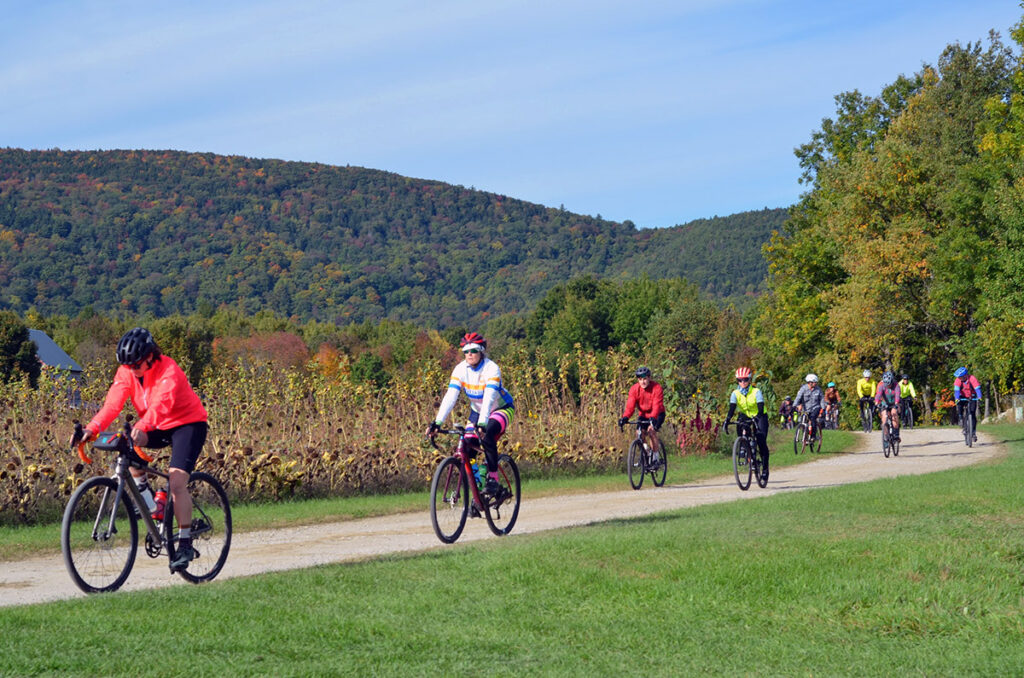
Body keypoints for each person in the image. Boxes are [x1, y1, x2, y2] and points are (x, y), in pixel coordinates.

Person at [77, 327, 209, 572]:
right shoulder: (126, 372)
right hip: (155, 424)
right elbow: (112, 405)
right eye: (128, 365)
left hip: (187, 424)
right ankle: (151, 504)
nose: (132, 369)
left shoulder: (169, 370)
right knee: (126, 446)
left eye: (136, 364)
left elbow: (161, 405)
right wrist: (91, 429)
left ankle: (185, 543)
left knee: (177, 481)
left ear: (151, 356)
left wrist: (142, 426)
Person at [427, 332, 515, 498]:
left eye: (473, 351)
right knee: (467, 446)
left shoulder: (491, 369)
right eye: (465, 351)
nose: (469, 354)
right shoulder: (460, 369)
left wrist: (482, 424)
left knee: (487, 433)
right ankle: (478, 493)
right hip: (477, 411)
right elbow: (451, 396)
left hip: (501, 409)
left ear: (481, 351)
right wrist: (437, 422)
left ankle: (493, 480)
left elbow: (489, 398)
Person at [723, 367, 770, 483]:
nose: (742, 382)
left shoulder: (756, 391)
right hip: (746, 415)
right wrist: (727, 420)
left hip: (760, 416)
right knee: (740, 422)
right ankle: (743, 444)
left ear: (749, 380)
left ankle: (765, 469)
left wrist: (757, 416)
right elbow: (732, 408)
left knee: (761, 440)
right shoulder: (735, 393)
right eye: (740, 380)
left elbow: (760, 406)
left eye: (745, 380)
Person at [618, 365, 666, 457]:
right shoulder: (634, 389)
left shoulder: (656, 388)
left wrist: (653, 418)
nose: (642, 382)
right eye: (640, 379)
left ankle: (655, 457)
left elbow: (657, 405)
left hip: (658, 414)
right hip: (644, 414)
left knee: (651, 431)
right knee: (639, 434)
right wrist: (625, 417)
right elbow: (630, 406)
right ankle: (646, 452)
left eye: (644, 379)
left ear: (649, 378)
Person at [953, 366, 982, 442]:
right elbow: (956, 391)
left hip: (972, 396)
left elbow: (977, 389)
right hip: (962, 396)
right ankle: (960, 417)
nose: (959, 378)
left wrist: (979, 397)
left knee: (972, 413)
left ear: (965, 375)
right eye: (958, 377)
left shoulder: (972, 379)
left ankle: (973, 432)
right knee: (959, 405)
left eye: (960, 377)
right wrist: (957, 398)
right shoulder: (957, 381)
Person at [793, 373, 825, 438]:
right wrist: (795, 405)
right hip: (805, 409)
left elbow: (822, 399)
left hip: (815, 407)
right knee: (803, 421)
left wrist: (823, 408)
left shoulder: (818, 389)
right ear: (810, 382)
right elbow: (798, 397)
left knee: (813, 418)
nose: (816, 383)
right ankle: (804, 436)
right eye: (814, 382)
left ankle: (813, 436)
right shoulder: (803, 389)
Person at [875, 370, 901, 442]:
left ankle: (896, 434)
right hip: (885, 403)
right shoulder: (882, 385)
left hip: (894, 403)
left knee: (894, 414)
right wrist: (876, 402)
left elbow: (897, 395)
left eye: (889, 384)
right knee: (884, 418)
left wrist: (896, 403)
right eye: (886, 384)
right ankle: (886, 437)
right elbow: (878, 394)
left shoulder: (896, 385)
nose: (888, 386)